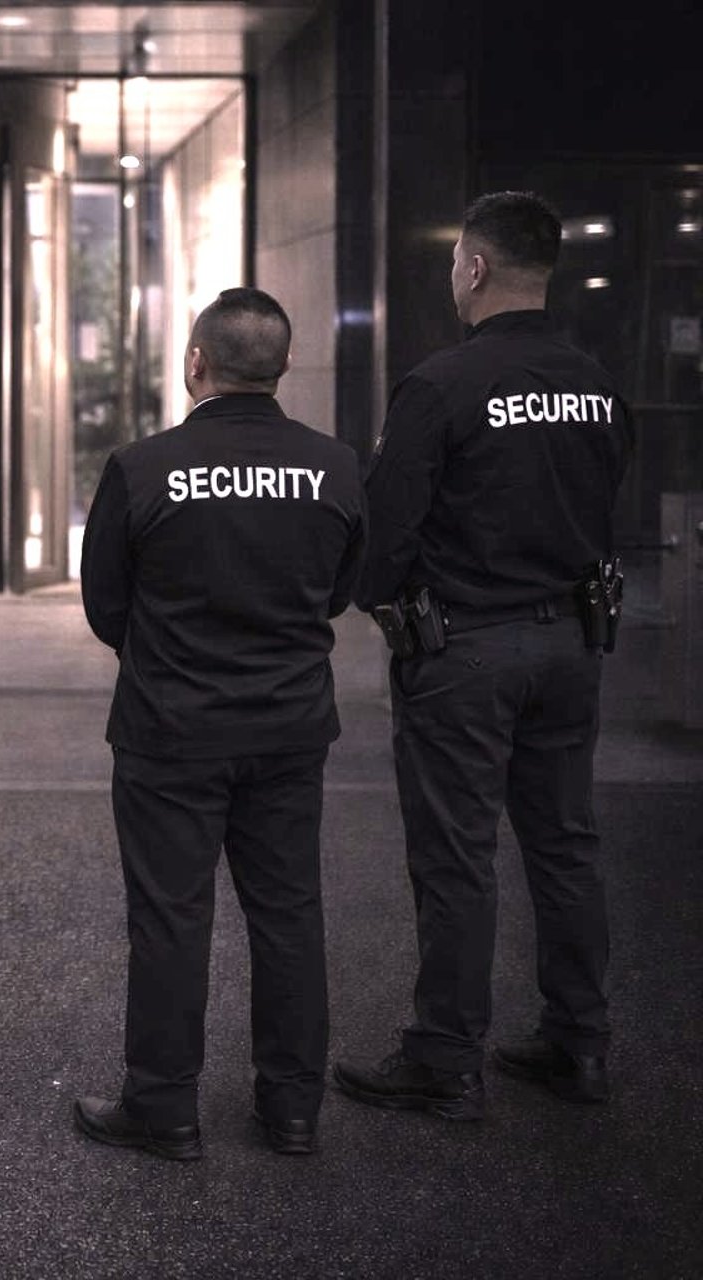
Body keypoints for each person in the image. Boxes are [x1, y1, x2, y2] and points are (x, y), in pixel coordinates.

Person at [334, 192, 634, 1119]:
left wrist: (385, 605)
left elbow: (382, 540)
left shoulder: (442, 386)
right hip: (572, 645)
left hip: (465, 649)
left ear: (473, 268)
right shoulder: (598, 385)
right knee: (566, 846)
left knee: (459, 856)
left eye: (455, 262)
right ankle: (577, 1043)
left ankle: (444, 1058)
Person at [73, 287, 366, 1160]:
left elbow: (104, 605)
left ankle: (163, 1109)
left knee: (171, 915)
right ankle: (293, 1110)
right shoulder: (336, 467)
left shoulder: (142, 466)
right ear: (282, 364)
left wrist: (170, 657)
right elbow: (341, 590)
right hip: (287, 728)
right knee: (289, 914)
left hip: (171, 729)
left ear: (196, 362)